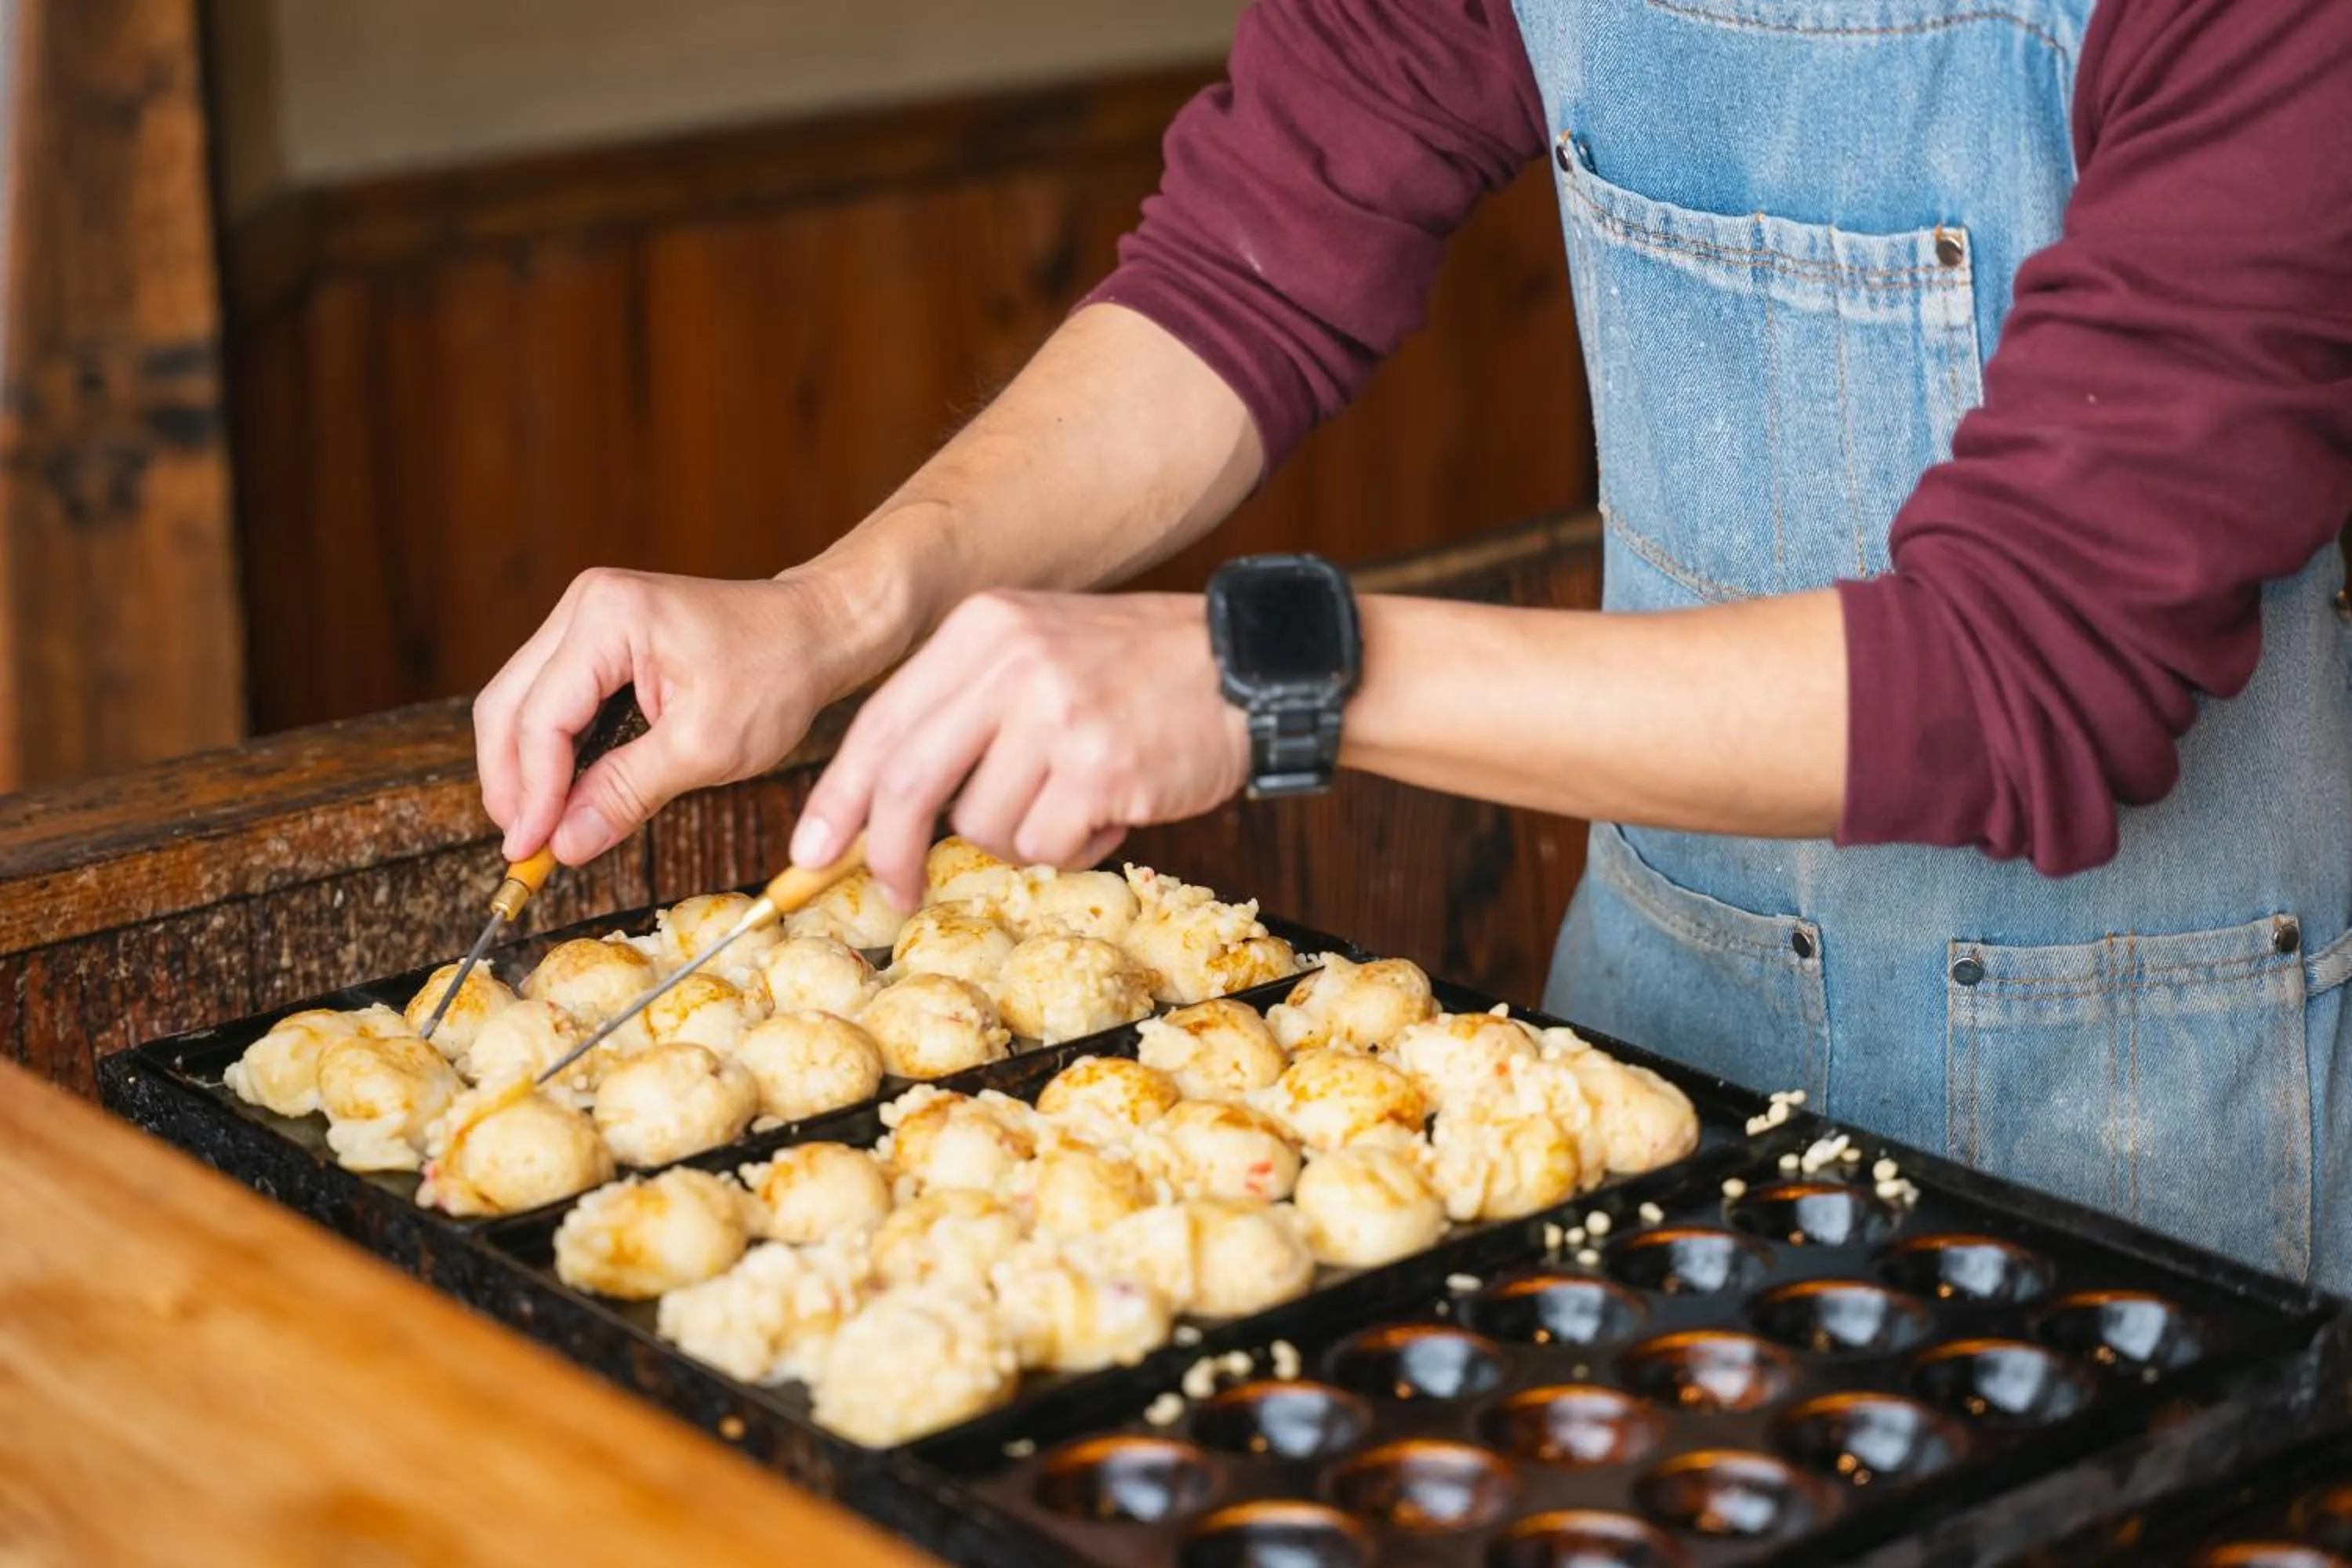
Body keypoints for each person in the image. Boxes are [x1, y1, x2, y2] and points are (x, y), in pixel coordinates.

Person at [474, 0, 2352, 1290]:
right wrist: (833, 610)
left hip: (2164, 1146)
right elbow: (1247, 265)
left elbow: (2033, 665)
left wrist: (1284, 673)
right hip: (1640, 1078)